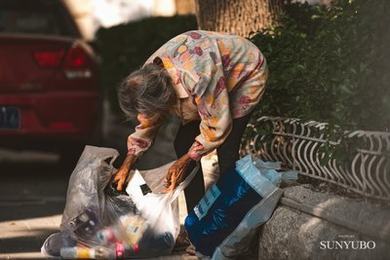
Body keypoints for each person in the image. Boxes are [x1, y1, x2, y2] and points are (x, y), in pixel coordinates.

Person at [113, 30, 268, 212]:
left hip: (246, 72)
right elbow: (148, 120)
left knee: (226, 148)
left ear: (164, 98)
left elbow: (217, 125)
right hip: (208, 80)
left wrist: (187, 159)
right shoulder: (148, 77)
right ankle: (196, 214)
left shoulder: (198, 76)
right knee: (182, 143)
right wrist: (128, 162)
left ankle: (229, 217)